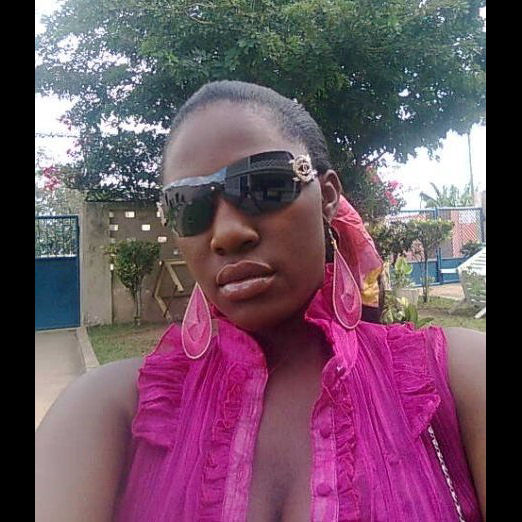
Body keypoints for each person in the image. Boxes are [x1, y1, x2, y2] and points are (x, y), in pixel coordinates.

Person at [35, 81, 485, 521]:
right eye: (189, 206)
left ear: (327, 197)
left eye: (263, 185)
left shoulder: (456, 380)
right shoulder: (108, 414)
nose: (227, 233)